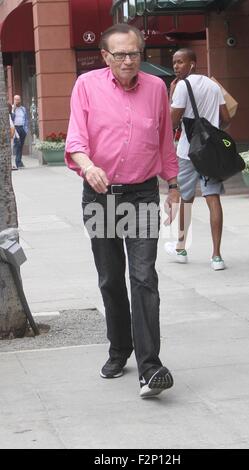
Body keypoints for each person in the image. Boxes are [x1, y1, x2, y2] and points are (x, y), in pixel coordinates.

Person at [65, 24, 179, 398]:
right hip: (100, 195)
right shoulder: (87, 86)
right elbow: (76, 140)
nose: (128, 61)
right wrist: (88, 165)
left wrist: (174, 185)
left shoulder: (157, 89)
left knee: (144, 276)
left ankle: (150, 367)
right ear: (105, 57)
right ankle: (119, 348)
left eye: (134, 53)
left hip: (143, 194)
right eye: (120, 55)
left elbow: (164, 140)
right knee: (111, 278)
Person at [164, 48, 231, 271]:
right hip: (210, 152)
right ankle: (217, 256)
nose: (176, 66)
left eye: (180, 62)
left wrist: (171, 95)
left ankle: (181, 248)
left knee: (186, 199)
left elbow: (172, 122)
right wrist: (211, 133)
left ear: (193, 63)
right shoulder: (214, 85)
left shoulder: (182, 86)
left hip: (187, 152)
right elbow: (226, 118)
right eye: (174, 62)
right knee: (213, 198)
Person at [12, 95, 28, 168]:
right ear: (14, 100)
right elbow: (11, 118)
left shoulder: (23, 109)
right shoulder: (12, 108)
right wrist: (14, 109)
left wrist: (26, 130)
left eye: (18, 99)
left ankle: (19, 161)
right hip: (15, 129)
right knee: (18, 145)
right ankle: (18, 162)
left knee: (21, 145)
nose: (17, 101)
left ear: (20, 100)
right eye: (16, 99)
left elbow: (26, 119)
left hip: (22, 128)